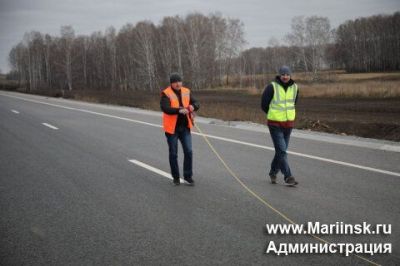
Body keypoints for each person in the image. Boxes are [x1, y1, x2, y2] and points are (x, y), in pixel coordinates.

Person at [261, 66, 299, 186]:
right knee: (282, 151)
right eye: (283, 74)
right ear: (279, 75)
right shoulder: (272, 86)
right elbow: (264, 104)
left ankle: (273, 172)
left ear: (290, 75)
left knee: (280, 151)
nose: (285, 76)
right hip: (275, 123)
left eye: (287, 74)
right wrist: (273, 114)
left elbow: (294, 103)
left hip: (288, 123)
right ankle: (288, 176)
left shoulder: (295, 87)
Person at [160, 73, 200, 186]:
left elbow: (196, 102)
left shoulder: (186, 91)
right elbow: (165, 108)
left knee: (189, 151)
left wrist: (193, 107)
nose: (178, 84)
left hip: (185, 127)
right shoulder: (166, 93)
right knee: (173, 153)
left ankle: (188, 176)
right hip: (172, 129)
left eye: (179, 81)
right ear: (171, 83)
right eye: (175, 82)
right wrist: (179, 110)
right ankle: (176, 177)